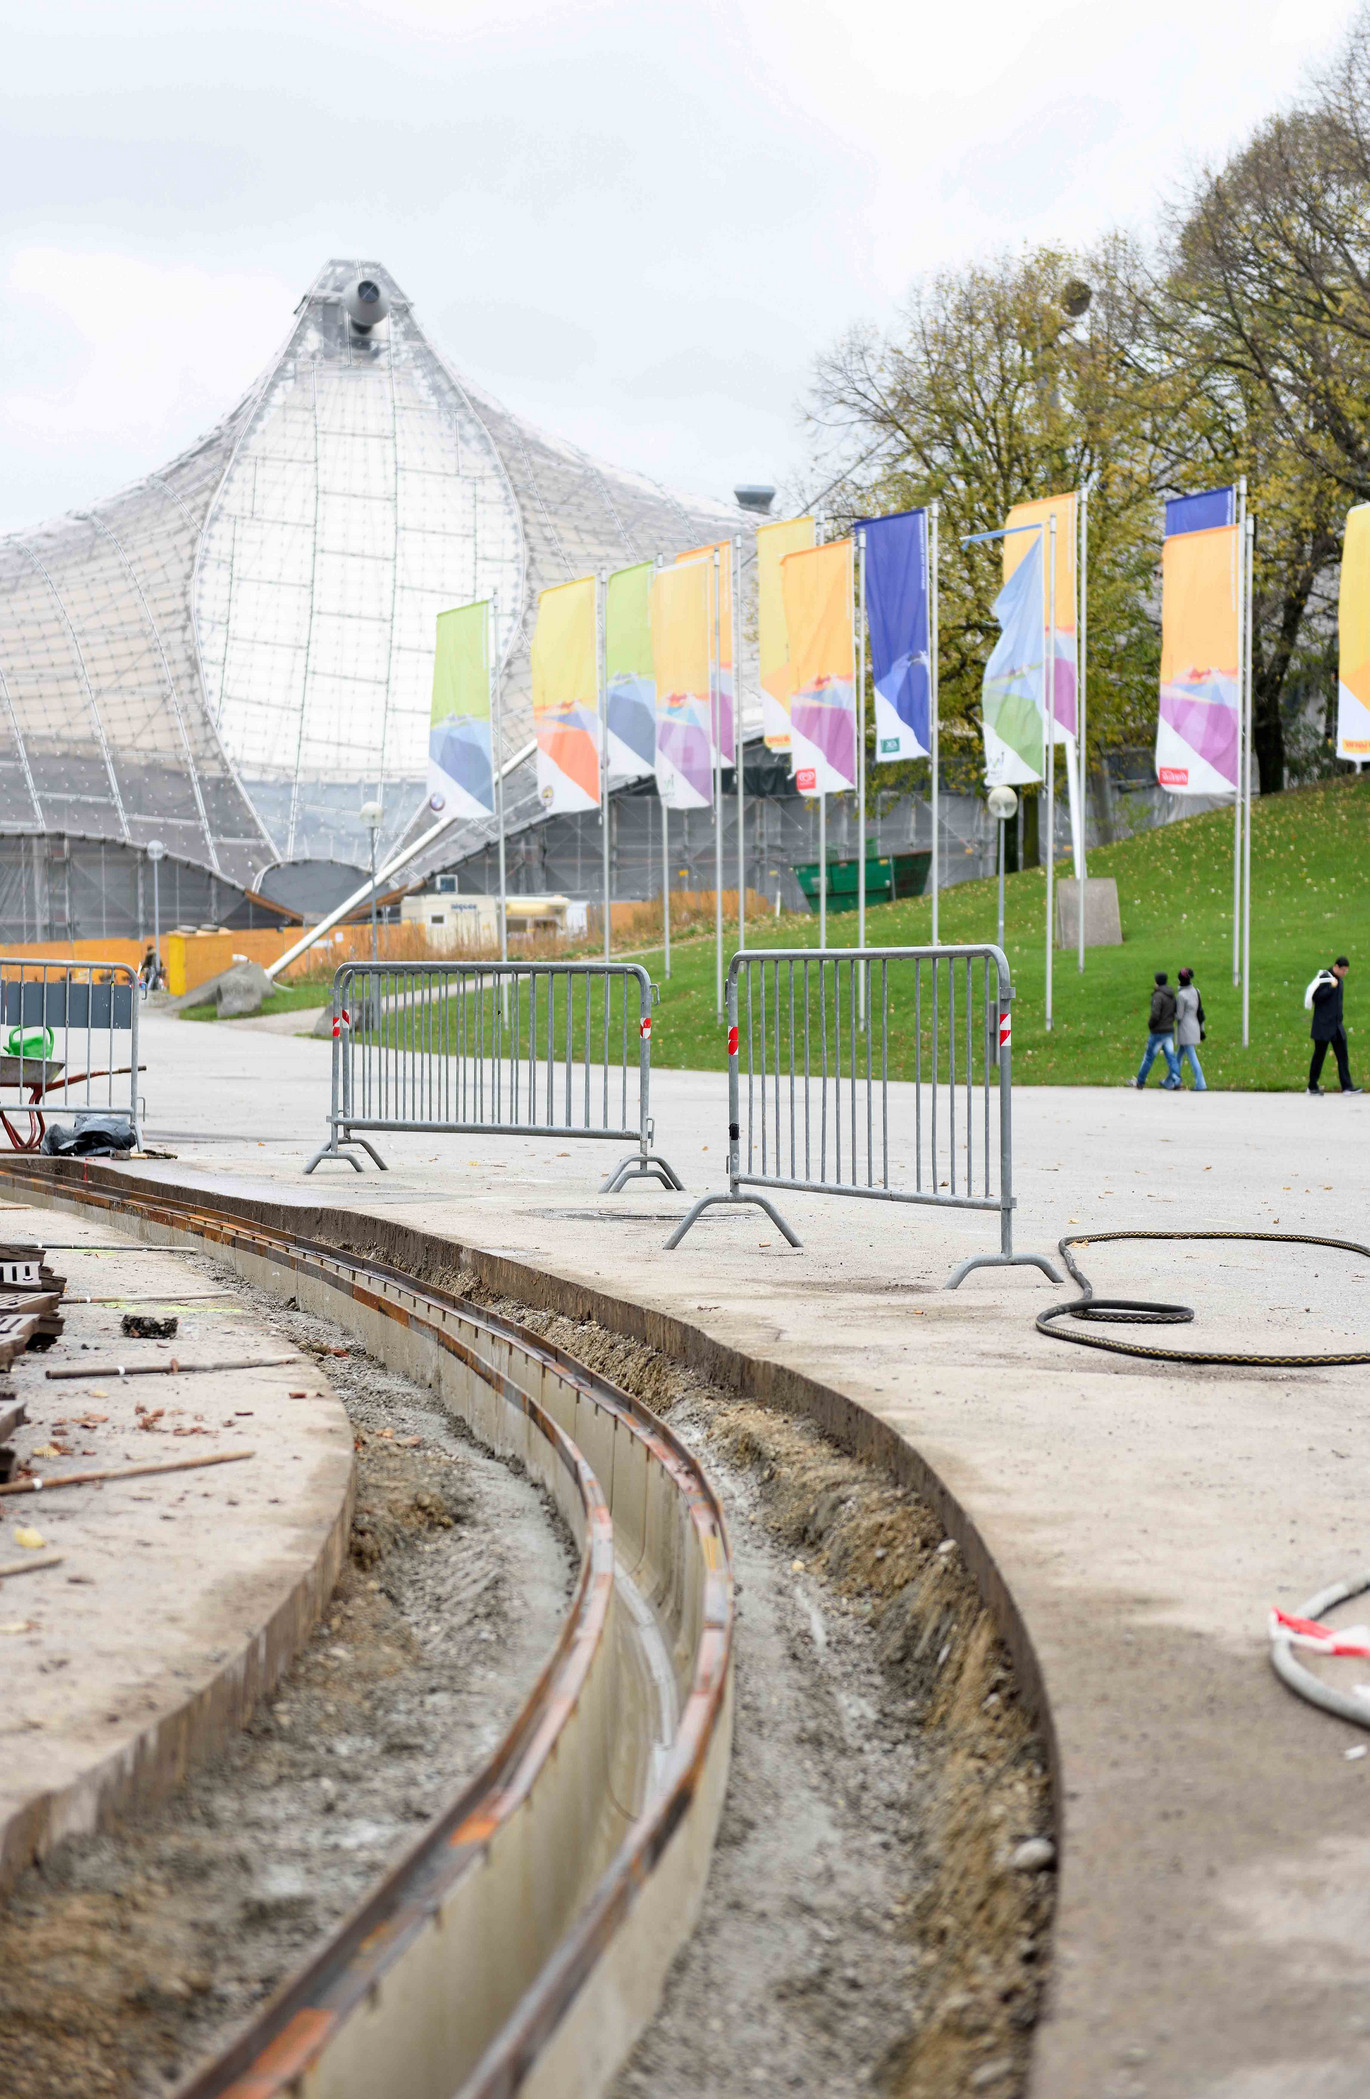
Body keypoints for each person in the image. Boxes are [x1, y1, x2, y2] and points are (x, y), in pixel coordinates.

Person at [1306, 955, 1363, 1095]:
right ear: (1336, 967)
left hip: (1336, 1026)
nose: (1344, 973)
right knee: (1319, 1056)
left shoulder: (1339, 981)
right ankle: (1312, 1086)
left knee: (1343, 1056)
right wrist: (1331, 988)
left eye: (1346, 971)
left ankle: (1347, 1086)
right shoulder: (1325, 978)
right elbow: (1316, 998)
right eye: (1343, 970)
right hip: (1323, 1025)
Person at [1133, 971, 1180, 1090]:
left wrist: (1151, 1025)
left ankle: (1140, 1081)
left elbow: (1155, 1014)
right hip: (1169, 1030)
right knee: (1171, 1057)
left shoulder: (1158, 996)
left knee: (1149, 1057)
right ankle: (1176, 1079)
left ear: (1157, 982)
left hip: (1158, 1031)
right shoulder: (1171, 995)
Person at [1174, 967, 1206, 1091]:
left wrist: (1169, 1013)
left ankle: (1201, 1083)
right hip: (1195, 1027)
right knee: (1178, 1056)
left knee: (1192, 1057)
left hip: (1185, 1029)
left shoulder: (1181, 996)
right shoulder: (1196, 991)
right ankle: (1173, 1079)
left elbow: (1179, 1015)